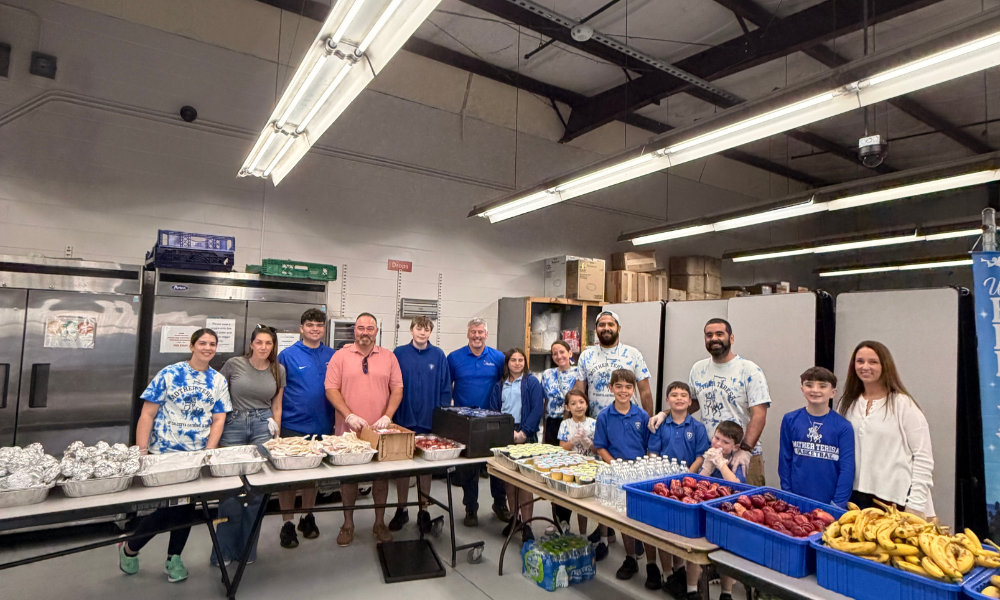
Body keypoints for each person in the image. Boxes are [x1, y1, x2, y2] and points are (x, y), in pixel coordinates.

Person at [118, 329, 230, 583]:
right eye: (202, 343)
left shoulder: (217, 380)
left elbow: (219, 418)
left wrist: (209, 452)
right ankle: (130, 547)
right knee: (169, 510)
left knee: (187, 508)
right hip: (164, 452)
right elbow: (147, 414)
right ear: (192, 346)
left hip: (195, 456)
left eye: (212, 344)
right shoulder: (170, 373)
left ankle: (173, 558)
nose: (207, 348)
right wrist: (142, 450)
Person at [650, 318, 771, 487]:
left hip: (741, 456)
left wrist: (745, 450)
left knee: (745, 507)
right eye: (709, 335)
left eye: (719, 334)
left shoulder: (749, 370)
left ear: (731, 338)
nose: (714, 338)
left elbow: (759, 415)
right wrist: (665, 414)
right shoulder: (698, 369)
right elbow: (691, 404)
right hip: (710, 454)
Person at [326, 313, 404, 547]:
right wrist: (348, 414)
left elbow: (397, 389)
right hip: (348, 432)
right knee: (349, 480)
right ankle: (348, 524)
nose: (365, 332)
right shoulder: (339, 357)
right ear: (354, 331)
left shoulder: (389, 357)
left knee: (381, 479)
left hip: (380, 432)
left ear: (376, 332)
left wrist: (387, 417)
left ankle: (379, 523)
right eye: (361, 328)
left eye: (370, 328)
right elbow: (331, 389)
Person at [213, 325, 286, 566]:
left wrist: (276, 432)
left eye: (269, 343)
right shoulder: (234, 365)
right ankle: (223, 551)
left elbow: (277, 405)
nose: (264, 347)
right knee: (230, 491)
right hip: (233, 423)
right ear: (252, 344)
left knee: (257, 491)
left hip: (262, 426)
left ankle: (247, 551)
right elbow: (217, 394)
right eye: (260, 342)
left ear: (273, 346)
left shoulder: (278, 370)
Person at [838, 341, 933, 516]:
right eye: (860, 361)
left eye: (873, 362)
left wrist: (916, 504)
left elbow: (923, 457)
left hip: (893, 500)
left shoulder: (903, 404)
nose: (865, 366)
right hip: (853, 498)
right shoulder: (847, 404)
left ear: (885, 366)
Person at [275, 309, 335, 549]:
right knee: (289, 480)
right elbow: (277, 393)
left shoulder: (333, 355)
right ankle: (288, 523)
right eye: (310, 324)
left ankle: (307, 517)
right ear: (301, 328)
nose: (315, 329)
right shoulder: (286, 356)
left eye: (319, 325)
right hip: (293, 425)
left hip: (322, 425)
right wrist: (277, 427)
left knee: (312, 478)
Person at [647, 382, 709, 595]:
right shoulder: (659, 425)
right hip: (662, 485)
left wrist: (686, 477)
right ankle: (667, 574)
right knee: (663, 531)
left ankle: (682, 570)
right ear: (667, 400)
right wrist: (656, 474)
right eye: (674, 395)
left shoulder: (698, 428)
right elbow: (653, 452)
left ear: (690, 402)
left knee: (683, 531)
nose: (679, 398)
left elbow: (701, 456)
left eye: (684, 395)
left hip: (687, 486)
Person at [390, 316, 451, 533]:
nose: (422, 333)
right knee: (403, 469)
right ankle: (401, 509)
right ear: (411, 330)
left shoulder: (438, 355)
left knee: (425, 469)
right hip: (404, 421)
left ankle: (423, 509)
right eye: (419, 328)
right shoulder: (399, 353)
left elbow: (445, 389)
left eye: (426, 329)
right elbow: (391, 385)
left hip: (428, 422)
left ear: (431, 332)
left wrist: (441, 419)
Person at [447, 318, 508, 527]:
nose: (477, 336)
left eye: (480, 332)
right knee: (468, 469)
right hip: (466, 423)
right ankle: (470, 508)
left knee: (496, 466)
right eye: (473, 332)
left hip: (492, 421)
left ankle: (500, 504)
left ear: (486, 335)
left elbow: (505, 385)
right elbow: (448, 387)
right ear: (467, 334)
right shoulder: (454, 358)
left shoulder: (498, 358)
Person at [593, 369, 650, 582]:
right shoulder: (604, 416)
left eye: (628, 387)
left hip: (638, 475)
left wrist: (640, 468)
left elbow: (648, 446)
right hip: (614, 473)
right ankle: (631, 558)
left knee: (641, 517)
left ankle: (644, 551)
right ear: (610, 388)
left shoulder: (642, 416)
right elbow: (600, 446)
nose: (623, 391)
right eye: (618, 386)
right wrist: (615, 465)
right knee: (622, 517)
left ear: (633, 390)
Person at [487, 348, 543, 545]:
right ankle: (515, 519)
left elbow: (537, 408)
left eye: (521, 360)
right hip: (506, 433)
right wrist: (504, 432)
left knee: (525, 482)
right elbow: (494, 411)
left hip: (525, 434)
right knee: (509, 482)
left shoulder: (532, 382)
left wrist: (524, 432)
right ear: (507, 363)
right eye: (513, 360)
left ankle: (527, 524)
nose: (517, 363)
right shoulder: (499, 385)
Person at [779, 367, 855, 508]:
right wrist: (787, 495)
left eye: (822, 386)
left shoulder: (843, 427)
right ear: (802, 389)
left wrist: (837, 505)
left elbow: (847, 469)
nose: (815, 390)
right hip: (796, 500)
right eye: (809, 385)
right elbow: (784, 460)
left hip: (830, 502)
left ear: (833, 393)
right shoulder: (790, 419)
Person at [697, 420, 746, 600]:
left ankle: (726, 593)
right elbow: (697, 484)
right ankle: (693, 588)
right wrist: (707, 467)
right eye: (716, 438)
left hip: (727, 511)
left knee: (728, 552)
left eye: (725, 442)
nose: (718, 444)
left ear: (735, 447)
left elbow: (737, 486)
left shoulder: (738, 461)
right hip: (706, 508)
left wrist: (721, 464)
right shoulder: (708, 456)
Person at [574, 310, 654, 416]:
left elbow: (645, 392)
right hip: (596, 423)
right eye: (602, 325)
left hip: (628, 421)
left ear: (619, 329)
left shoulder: (633, 354)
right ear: (595, 329)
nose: (606, 328)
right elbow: (579, 391)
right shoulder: (586, 355)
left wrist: (649, 422)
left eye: (611, 324)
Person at [541, 339, 582, 527]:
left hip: (572, 423)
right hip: (552, 424)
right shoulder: (547, 374)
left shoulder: (579, 373)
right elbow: (544, 403)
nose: (559, 356)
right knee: (554, 470)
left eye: (562, 352)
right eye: (555, 353)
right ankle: (556, 518)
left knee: (570, 470)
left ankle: (566, 519)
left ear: (569, 352)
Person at [555, 389, 595, 538]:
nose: (578, 406)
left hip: (589, 468)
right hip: (570, 467)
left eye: (581, 402)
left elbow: (597, 450)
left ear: (587, 404)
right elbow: (561, 448)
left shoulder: (594, 423)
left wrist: (587, 441)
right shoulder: (565, 424)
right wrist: (573, 441)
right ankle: (563, 524)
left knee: (583, 504)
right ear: (567, 407)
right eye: (573, 403)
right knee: (568, 499)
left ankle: (584, 534)